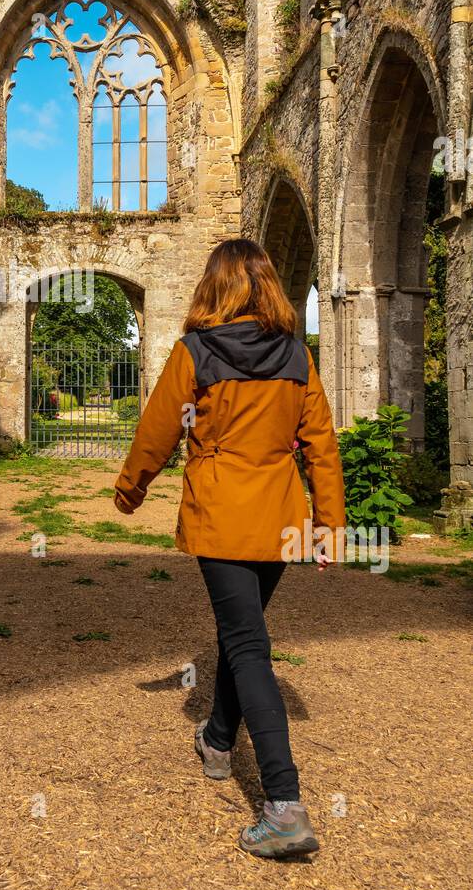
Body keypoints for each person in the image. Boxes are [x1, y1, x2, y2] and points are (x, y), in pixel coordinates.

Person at [113, 239, 345, 858]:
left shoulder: (196, 351)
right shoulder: (297, 354)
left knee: (246, 645)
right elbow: (320, 443)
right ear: (267, 285)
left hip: (221, 515)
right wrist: (328, 526)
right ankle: (218, 740)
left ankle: (285, 806)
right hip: (277, 520)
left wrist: (131, 487)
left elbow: (159, 427)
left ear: (214, 287)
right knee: (241, 632)